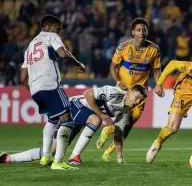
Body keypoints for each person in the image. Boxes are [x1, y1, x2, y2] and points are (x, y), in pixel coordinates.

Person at [0, 84, 147, 165]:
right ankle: (75, 157)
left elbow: (118, 134)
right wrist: (102, 115)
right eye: (137, 97)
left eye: (140, 101)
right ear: (129, 92)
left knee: (50, 152)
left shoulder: (126, 111)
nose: (137, 102)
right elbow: (88, 93)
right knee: (96, 120)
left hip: (85, 116)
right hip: (74, 106)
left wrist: (120, 160)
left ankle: (8, 158)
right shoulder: (113, 93)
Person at [19, 14, 85, 170]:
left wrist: (35, 90)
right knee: (67, 119)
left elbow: (22, 77)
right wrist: (78, 64)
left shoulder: (30, 46)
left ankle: (45, 157)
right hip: (50, 84)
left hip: (36, 89)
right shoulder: (51, 36)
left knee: (52, 120)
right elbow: (63, 54)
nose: (59, 32)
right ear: (48, 27)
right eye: (58, 28)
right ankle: (58, 162)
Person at [97, 17, 161, 162]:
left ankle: (108, 150)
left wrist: (159, 84)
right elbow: (112, 68)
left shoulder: (154, 49)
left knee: (129, 125)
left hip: (140, 94)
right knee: (122, 122)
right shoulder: (123, 47)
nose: (142, 33)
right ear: (133, 32)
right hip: (122, 92)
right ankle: (109, 137)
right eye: (138, 30)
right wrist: (119, 81)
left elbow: (157, 70)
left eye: (144, 30)